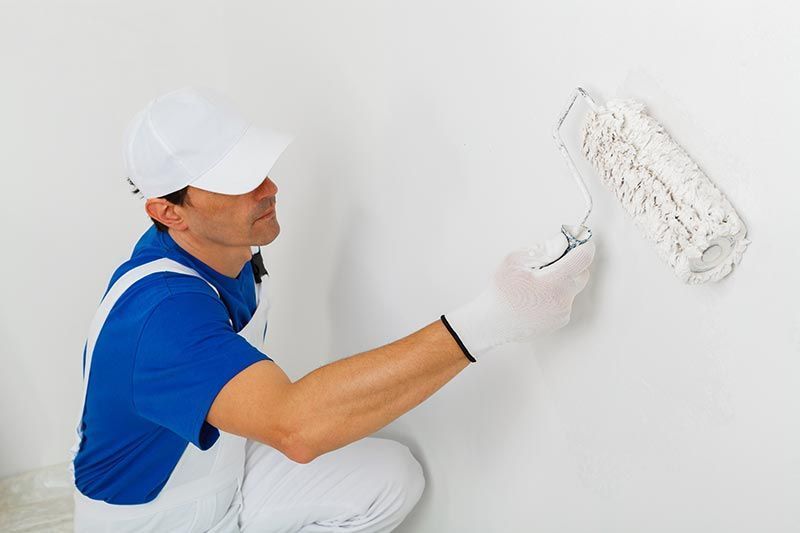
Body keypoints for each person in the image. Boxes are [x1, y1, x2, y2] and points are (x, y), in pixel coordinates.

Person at [69, 86, 596, 532]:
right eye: (236, 184)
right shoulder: (160, 316)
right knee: (311, 435)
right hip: (158, 516)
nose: (269, 190)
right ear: (167, 212)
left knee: (392, 479)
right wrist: (494, 317)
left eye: (259, 169)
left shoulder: (223, 249)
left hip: (218, 466)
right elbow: (295, 428)